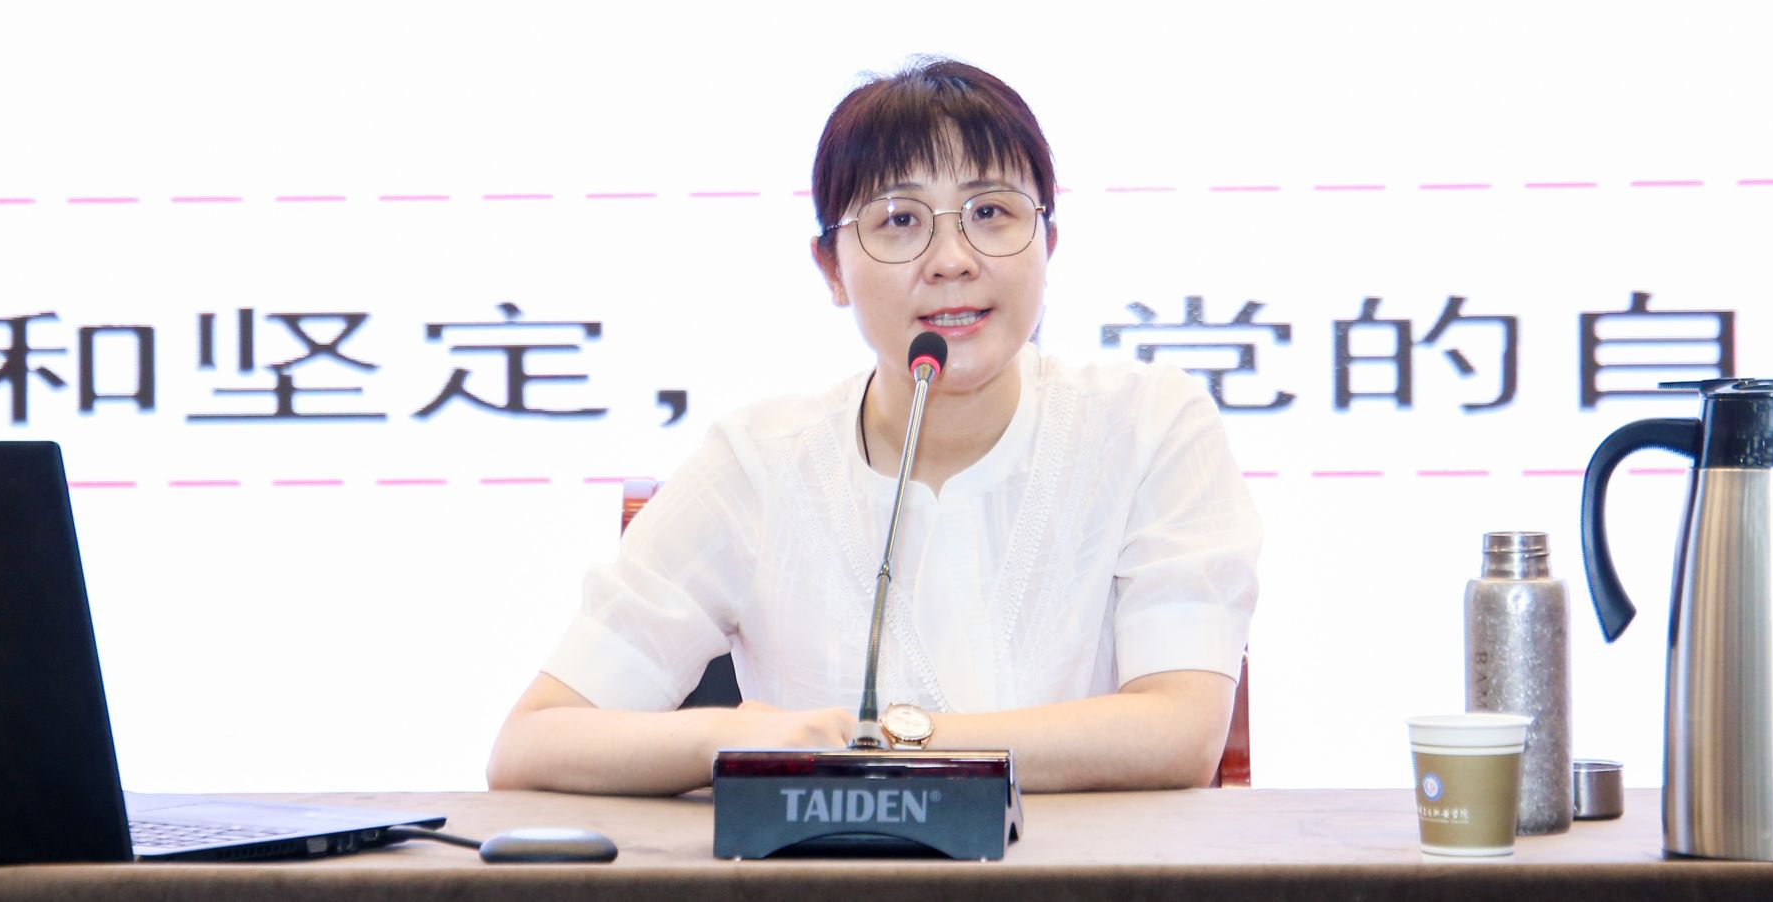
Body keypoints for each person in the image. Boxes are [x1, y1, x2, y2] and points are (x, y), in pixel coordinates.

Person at [488, 59, 1261, 795]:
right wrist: (732, 739)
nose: (952, 259)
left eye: (990, 213)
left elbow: (1180, 729)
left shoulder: (1149, 427)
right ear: (831, 267)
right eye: (899, 220)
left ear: (1048, 242)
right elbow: (533, 742)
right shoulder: (759, 464)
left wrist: (883, 745)